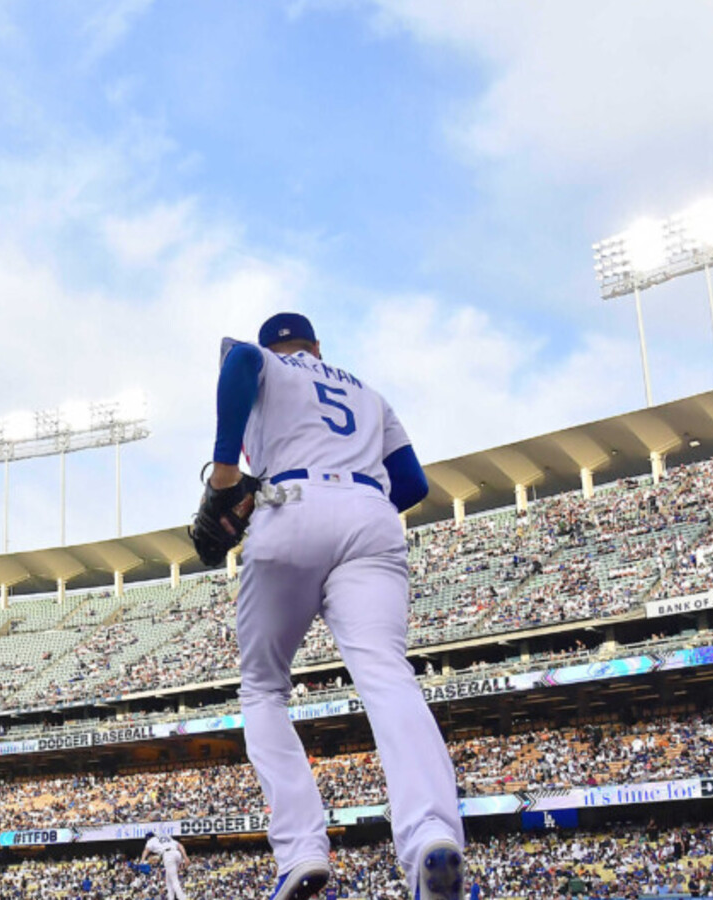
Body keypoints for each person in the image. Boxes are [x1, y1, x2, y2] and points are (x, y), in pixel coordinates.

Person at [202, 312, 465, 900]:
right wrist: (355, 502)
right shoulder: (368, 393)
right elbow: (413, 484)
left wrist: (225, 471)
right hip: (371, 513)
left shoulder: (264, 362)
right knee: (386, 674)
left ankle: (300, 853)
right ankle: (428, 835)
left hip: (289, 501)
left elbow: (239, 361)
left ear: (279, 346)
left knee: (264, 689)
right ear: (318, 347)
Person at [138, 831, 190, 900]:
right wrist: (185, 857)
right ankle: (171, 898)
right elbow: (180, 845)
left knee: (174, 880)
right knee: (168, 880)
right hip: (177, 853)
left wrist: (142, 861)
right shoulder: (166, 837)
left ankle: (182, 898)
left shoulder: (151, 840)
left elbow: (146, 850)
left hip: (168, 855)